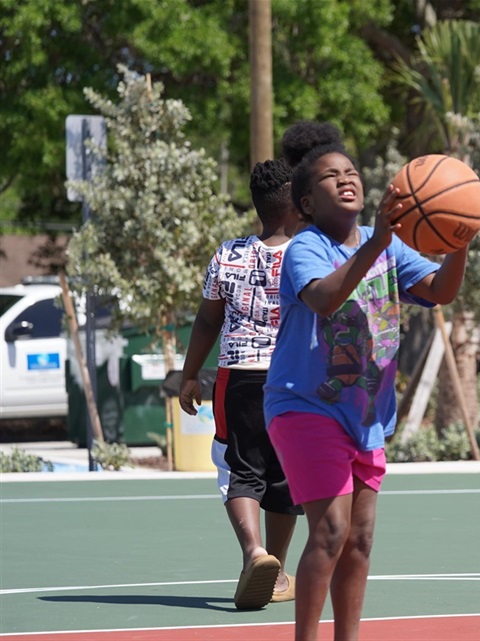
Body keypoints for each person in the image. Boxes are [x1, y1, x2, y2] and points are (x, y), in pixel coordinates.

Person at [263, 123, 480, 641]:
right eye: (329, 177)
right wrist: (379, 243)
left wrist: (461, 239)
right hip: (304, 407)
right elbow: (322, 299)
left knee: (359, 540)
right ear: (307, 204)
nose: (346, 180)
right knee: (331, 530)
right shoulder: (305, 248)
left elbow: (441, 291)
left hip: (366, 416)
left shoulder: (389, 247)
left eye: (352, 172)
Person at [179, 157, 305, 609]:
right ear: (296, 206)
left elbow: (207, 318)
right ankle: (277, 571)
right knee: (285, 474)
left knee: (239, 468)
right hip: (295, 378)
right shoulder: (310, 253)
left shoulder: (227, 254)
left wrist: (191, 375)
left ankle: (254, 552)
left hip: (239, 376)